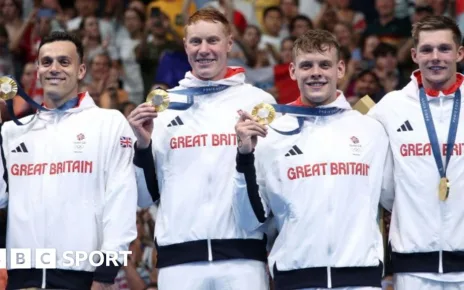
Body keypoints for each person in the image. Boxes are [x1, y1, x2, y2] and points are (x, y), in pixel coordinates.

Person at [127, 7, 276, 290]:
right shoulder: (164, 108)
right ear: (185, 46)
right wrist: (143, 147)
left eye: (213, 41)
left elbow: (271, 185)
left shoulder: (259, 103)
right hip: (178, 261)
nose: (203, 50)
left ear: (229, 43)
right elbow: (145, 197)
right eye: (195, 42)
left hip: (243, 260)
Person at [233, 29, 389, 289]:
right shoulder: (272, 136)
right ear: (293, 71)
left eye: (324, 64)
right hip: (296, 278)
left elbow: (392, 199)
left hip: (361, 279)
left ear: (340, 69)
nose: (316, 72)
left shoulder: (371, 130)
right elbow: (250, 219)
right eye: (307, 65)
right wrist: (244, 157)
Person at [0, 31, 137, 289]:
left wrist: (105, 275)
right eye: (47, 62)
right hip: (22, 280)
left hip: (81, 277)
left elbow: (121, 201)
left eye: (64, 62)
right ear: (38, 69)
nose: (54, 68)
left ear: (81, 69)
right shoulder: (13, 131)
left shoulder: (108, 123)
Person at [368, 15, 464, 289]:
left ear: (459, 52)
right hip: (412, 264)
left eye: (444, 49)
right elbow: (381, 181)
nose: (436, 57)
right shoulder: (390, 107)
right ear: (414, 55)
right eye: (426, 49)